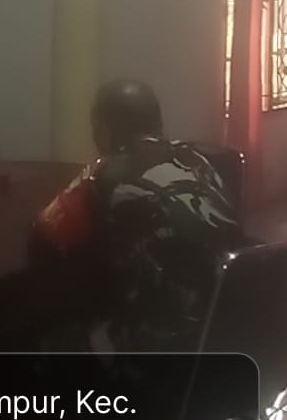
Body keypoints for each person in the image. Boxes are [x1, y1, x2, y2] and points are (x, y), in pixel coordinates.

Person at [29, 79, 247, 351]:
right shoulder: (198, 161)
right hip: (233, 327)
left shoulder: (103, 174)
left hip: (167, 345)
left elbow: (42, 239)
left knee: (56, 338)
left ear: (104, 131)